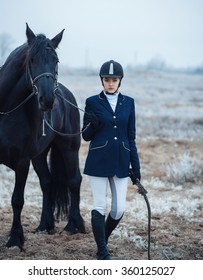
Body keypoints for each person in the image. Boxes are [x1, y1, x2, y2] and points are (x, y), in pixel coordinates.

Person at [82, 60, 141, 260]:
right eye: (107, 79)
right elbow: (85, 135)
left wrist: (136, 168)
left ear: (120, 81)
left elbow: (131, 137)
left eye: (114, 79)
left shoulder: (129, 103)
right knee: (100, 205)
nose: (110, 83)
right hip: (98, 160)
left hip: (122, 160)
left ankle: (102, 240)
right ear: (102, 80)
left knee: (118, 209)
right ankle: (102, 251)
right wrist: (93, 125)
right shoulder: (92, 102)